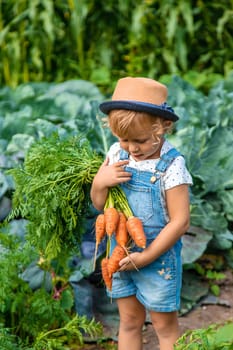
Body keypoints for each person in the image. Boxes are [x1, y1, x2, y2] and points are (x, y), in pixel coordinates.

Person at [90, 77, 192, 350]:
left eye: (141, 140)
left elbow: (181, 221)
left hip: (157, 259)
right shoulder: (115, 154)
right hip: (120, 255)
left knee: (164, 326)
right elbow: (100, 205)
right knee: (129, 321)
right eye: (124, 139)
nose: (132, 148)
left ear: (163, 127)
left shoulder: (172, 166)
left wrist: (146, 255)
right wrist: (100, 182)